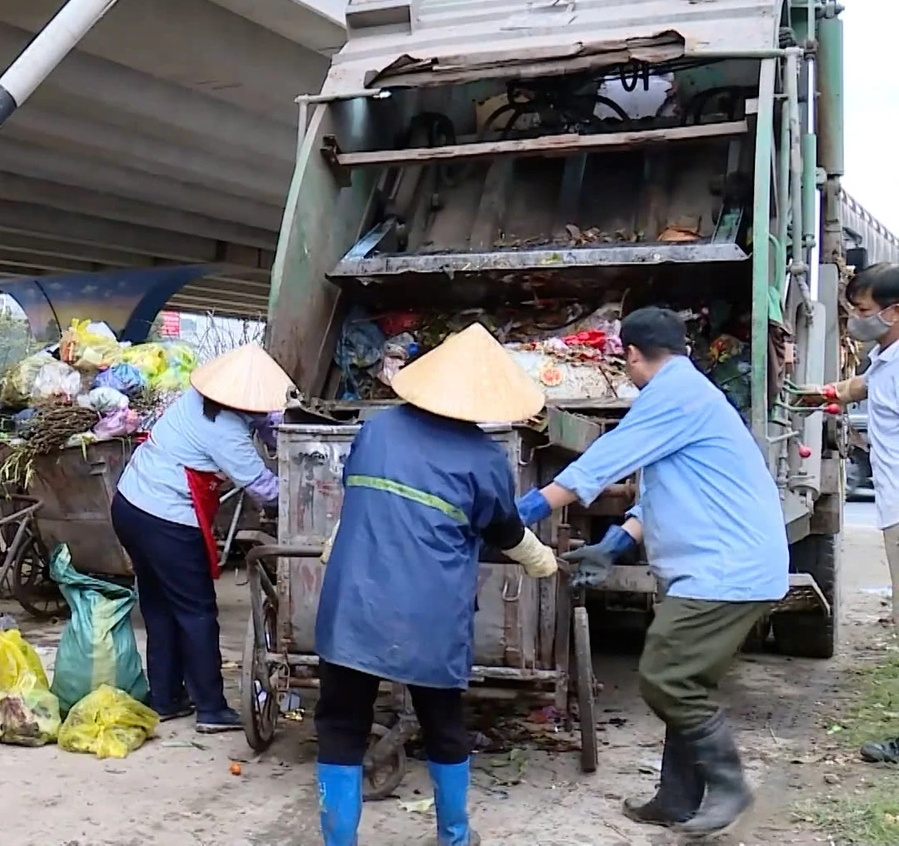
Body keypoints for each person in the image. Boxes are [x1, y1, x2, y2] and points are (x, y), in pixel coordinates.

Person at [514, 306, 788, 836]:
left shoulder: (672, 397)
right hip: (724, 566)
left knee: (666, 676)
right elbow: (664, 492)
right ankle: (678, 800)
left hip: (726, 571)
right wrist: (615, 543)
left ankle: (730, 785)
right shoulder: (693, 393)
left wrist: (517, 514)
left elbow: (598, 464)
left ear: (632, 356)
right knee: (688, 681)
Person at [313, 324, 559, 846]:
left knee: (340, 727)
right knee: (444, 725)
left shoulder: (375, 431)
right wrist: (543, 562)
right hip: (429, 618)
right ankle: (454, 836)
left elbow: (359, 496)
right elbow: (506, 530)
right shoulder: (484, 458)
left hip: (351, 609)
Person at [111, 342, 292, 733]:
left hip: (130, 504)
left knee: (160, 607)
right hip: (164, 517)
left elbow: (267, 423)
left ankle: (167, 698)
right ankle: (211, 708)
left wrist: (286, 439)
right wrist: (302, 493)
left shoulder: (200, 399)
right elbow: (262, 487)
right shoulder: (223, 430)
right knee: (196, 612)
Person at [803, 262, 899, 764]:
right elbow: (868, 385)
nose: (856, 320)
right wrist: (829, 392)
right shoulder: (887, 358)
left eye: (862, 311)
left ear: (894, 311)